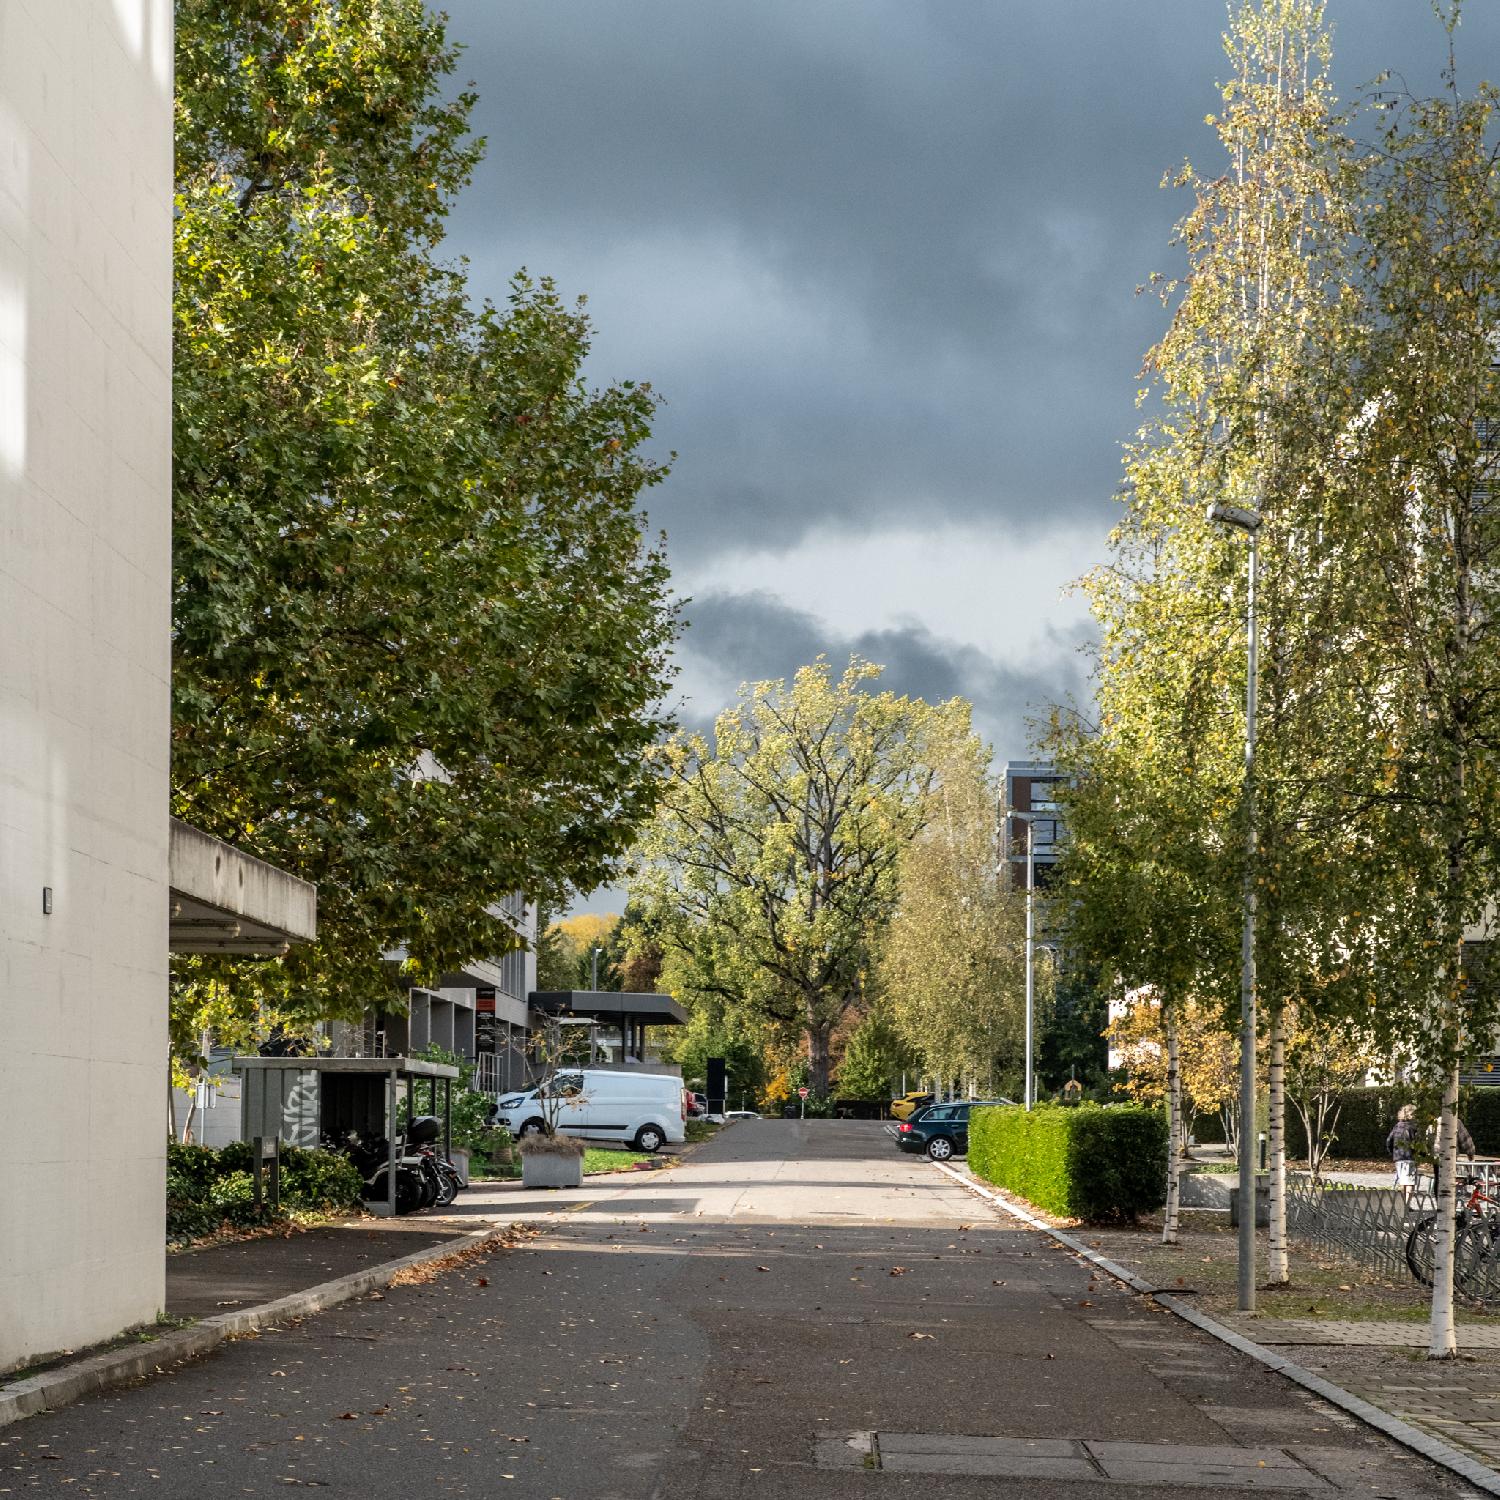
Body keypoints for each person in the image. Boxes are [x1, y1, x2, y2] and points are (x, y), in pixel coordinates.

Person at [1387, 1104, 1419, 1188]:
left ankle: (1402, 1200)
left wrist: (1393, 1152)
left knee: (1402, 1181)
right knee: (1409, 1183)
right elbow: (1417, 1143)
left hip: (1398, 1157)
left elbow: (1389, 1141)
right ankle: (1407, 1201)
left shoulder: (1397, 1126)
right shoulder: (1413, 1127)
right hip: (1410, 1157)